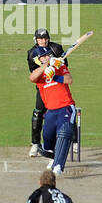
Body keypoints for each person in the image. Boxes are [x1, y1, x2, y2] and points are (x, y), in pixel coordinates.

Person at [28, 43, 77, 175]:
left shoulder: (60, 66)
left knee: (64, 133)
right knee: (47, 139)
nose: (48, 56)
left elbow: (69, 80)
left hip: (65, 106)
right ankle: (54, 157)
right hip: (51, 111)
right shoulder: (39, 73)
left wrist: (55, 75)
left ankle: (59, 166)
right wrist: (46, 67)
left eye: (49, 54)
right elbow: (32, 78)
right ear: (40, 59)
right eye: (45, 56)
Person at [26, 27, 66, 158]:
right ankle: (35, 144)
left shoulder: (57, 49)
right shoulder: (32, 53)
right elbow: (33, 74)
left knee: (66, 110)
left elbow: (65, 68)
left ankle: (73, 142)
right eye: (40, 38)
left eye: (45, 38)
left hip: (57, 86)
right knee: (38, 112)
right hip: (43, 87)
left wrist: (58, 65)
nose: (43, 41)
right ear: (36, 40)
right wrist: (47, 67)